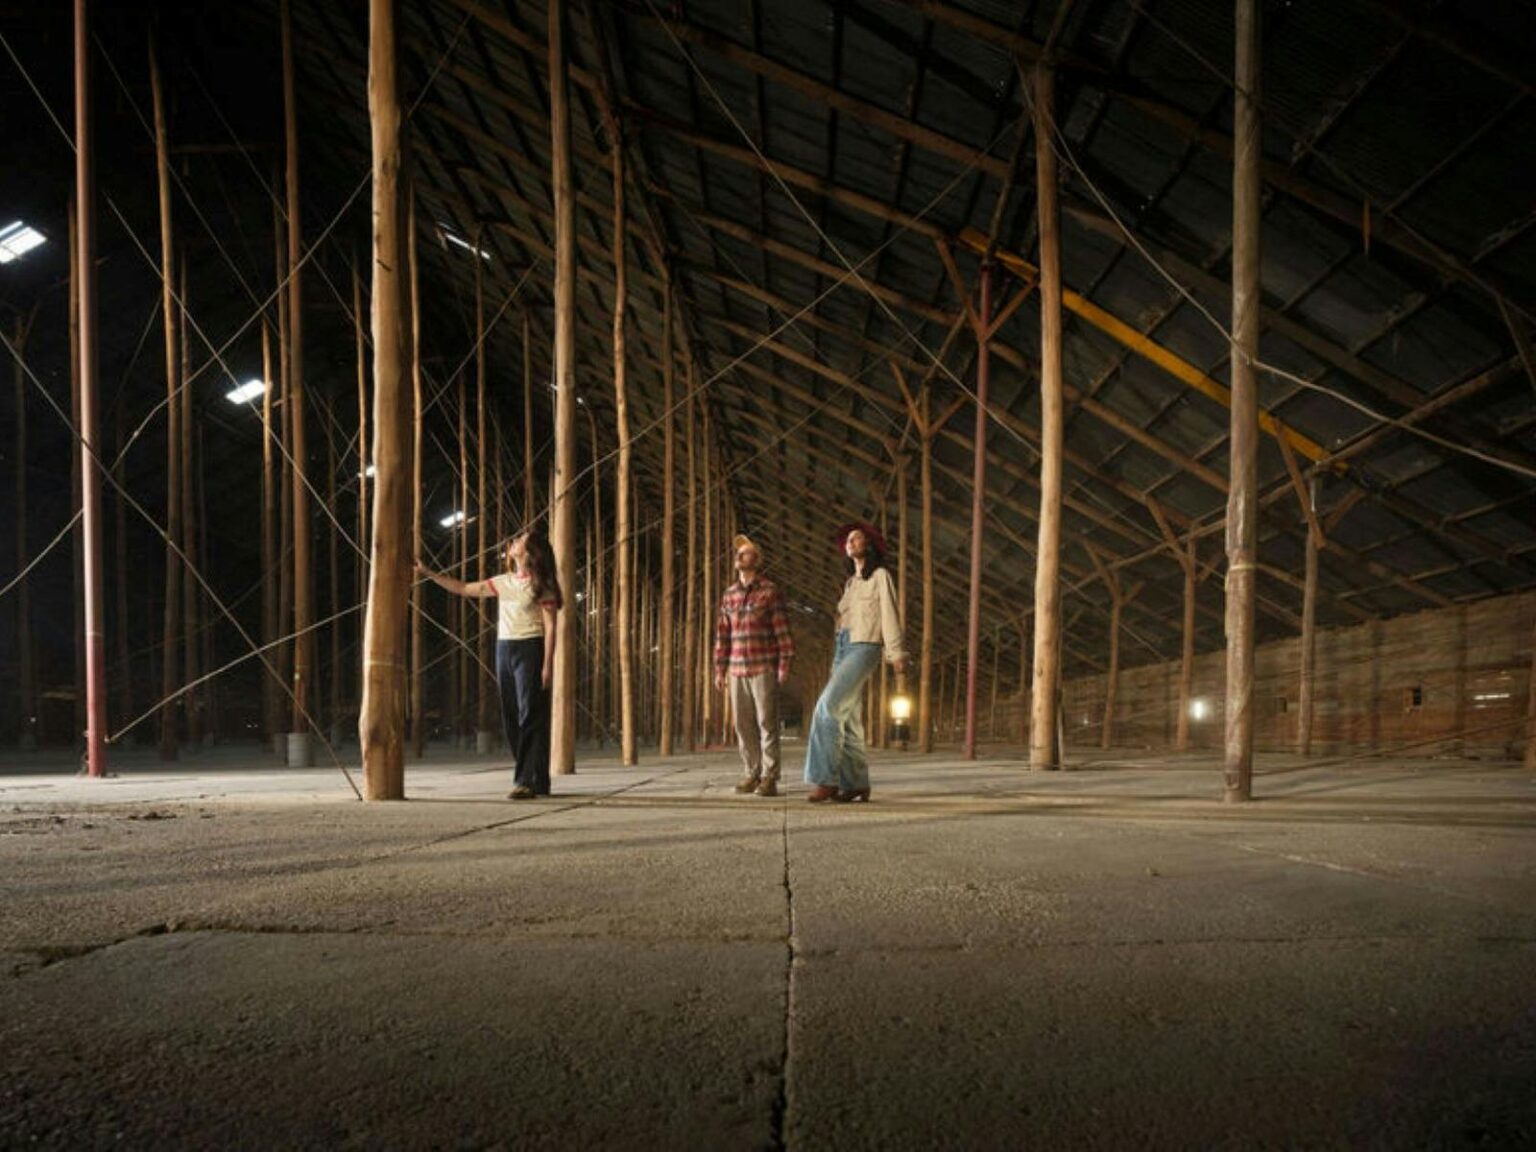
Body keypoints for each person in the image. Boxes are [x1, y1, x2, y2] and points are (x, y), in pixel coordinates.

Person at [416, 526, 562, 800]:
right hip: (504, 649)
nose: (514, 540)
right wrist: (428, 573)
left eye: (521, 540)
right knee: (511, 716)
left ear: (530, 553)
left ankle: (524, 781)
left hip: (531, 647)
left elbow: (552, 627)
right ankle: (538, 779)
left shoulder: (543, 584)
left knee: (529, 713)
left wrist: (547, 665)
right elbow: (462, 588)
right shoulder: (503, 581)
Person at [803, 523, 907, 803]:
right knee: (848, 719)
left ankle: (825, 780)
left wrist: (896, 652)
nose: (851, 542)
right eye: (848, 540)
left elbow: (889, 612)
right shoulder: (850, 584)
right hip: (842, 647)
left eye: (857, 538)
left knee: (827, 707)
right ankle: (857, 783)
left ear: (869, 545)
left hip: (865, 645)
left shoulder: (880, 576)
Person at [714, 534, 795, 797]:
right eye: (738, 553)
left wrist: (784, 664)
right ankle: (752, 772)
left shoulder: (770, 591)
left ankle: (770, 777)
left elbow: (782, 631)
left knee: (767, 723)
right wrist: (719, 669)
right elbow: (722, 635)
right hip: (736, 669)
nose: (739, 556)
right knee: (742, 725)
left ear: (756, 560)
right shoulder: (729, 595)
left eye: (745, 553)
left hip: (763, 667)